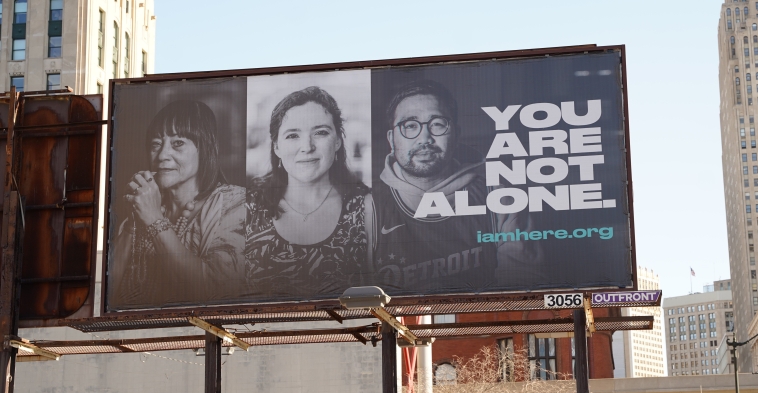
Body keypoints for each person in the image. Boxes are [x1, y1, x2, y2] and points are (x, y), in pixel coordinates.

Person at [372, 80, 540, 293]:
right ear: (391, 138)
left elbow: (522, 286)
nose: (425, 138)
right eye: (410, 125)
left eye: (437, 124)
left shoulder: (497, 193)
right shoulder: (365, 206)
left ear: (457, 134)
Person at [109, 100, 246, 308]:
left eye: (178, 143)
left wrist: (155, 220)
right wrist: (132, 223)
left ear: (205, 148)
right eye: (156, 144)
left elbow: (215, 292)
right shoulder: (144, 209)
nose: (162, 155)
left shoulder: (234, 202)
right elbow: (107, 296)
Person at [245, 86, 372, 298]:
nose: (307, 146)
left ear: (338, 141)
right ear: (276, 146)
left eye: (320, 132)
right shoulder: (246, 208)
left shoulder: (366, 207)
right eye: (293, 135)